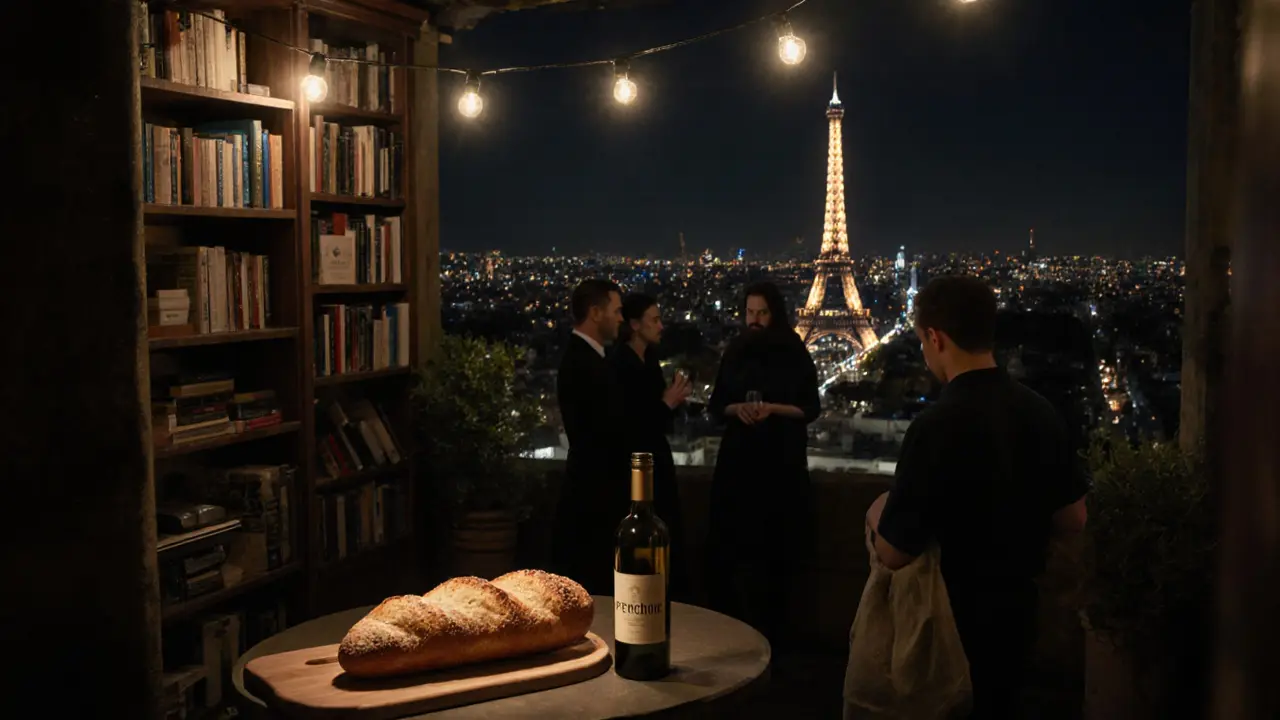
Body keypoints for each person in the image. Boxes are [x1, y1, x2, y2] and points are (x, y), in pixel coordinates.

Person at [865, 275, 1090, 719]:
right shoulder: (1040, 411)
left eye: (922, 342)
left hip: (946, 622)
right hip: (1018, 614)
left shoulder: (935, 426)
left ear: (936, 337)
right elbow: (1074, 518)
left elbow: (893, 552)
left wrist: (876, 513)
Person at [706, 281, 821, 648]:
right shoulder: (736, 351)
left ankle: (774, 639)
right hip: (741, 467)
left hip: (778, 467)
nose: (754, 320)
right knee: (739, 558)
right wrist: (736, 409)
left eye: (762, 313)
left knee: (775, 560)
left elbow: (810, 408)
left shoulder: (793, 351)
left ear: (775, 314)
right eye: (750, 313)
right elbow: (717, 407)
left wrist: (772, 409)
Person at [613, 293, 693, 602]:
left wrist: (670, 403)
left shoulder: (644, 361)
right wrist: (666, 403)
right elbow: (635, 423)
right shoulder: (625, 366)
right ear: (634, 325)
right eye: (654, 320)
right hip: (641, 469)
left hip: (654, 465)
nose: (661, 326)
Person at [553, 278, 627, 596]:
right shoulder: (587, 364)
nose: (621, 318)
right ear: (596, 313)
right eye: (617, 310)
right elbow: (605, 429)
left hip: (590, 488)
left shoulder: (582, 359)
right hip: (596, 493)